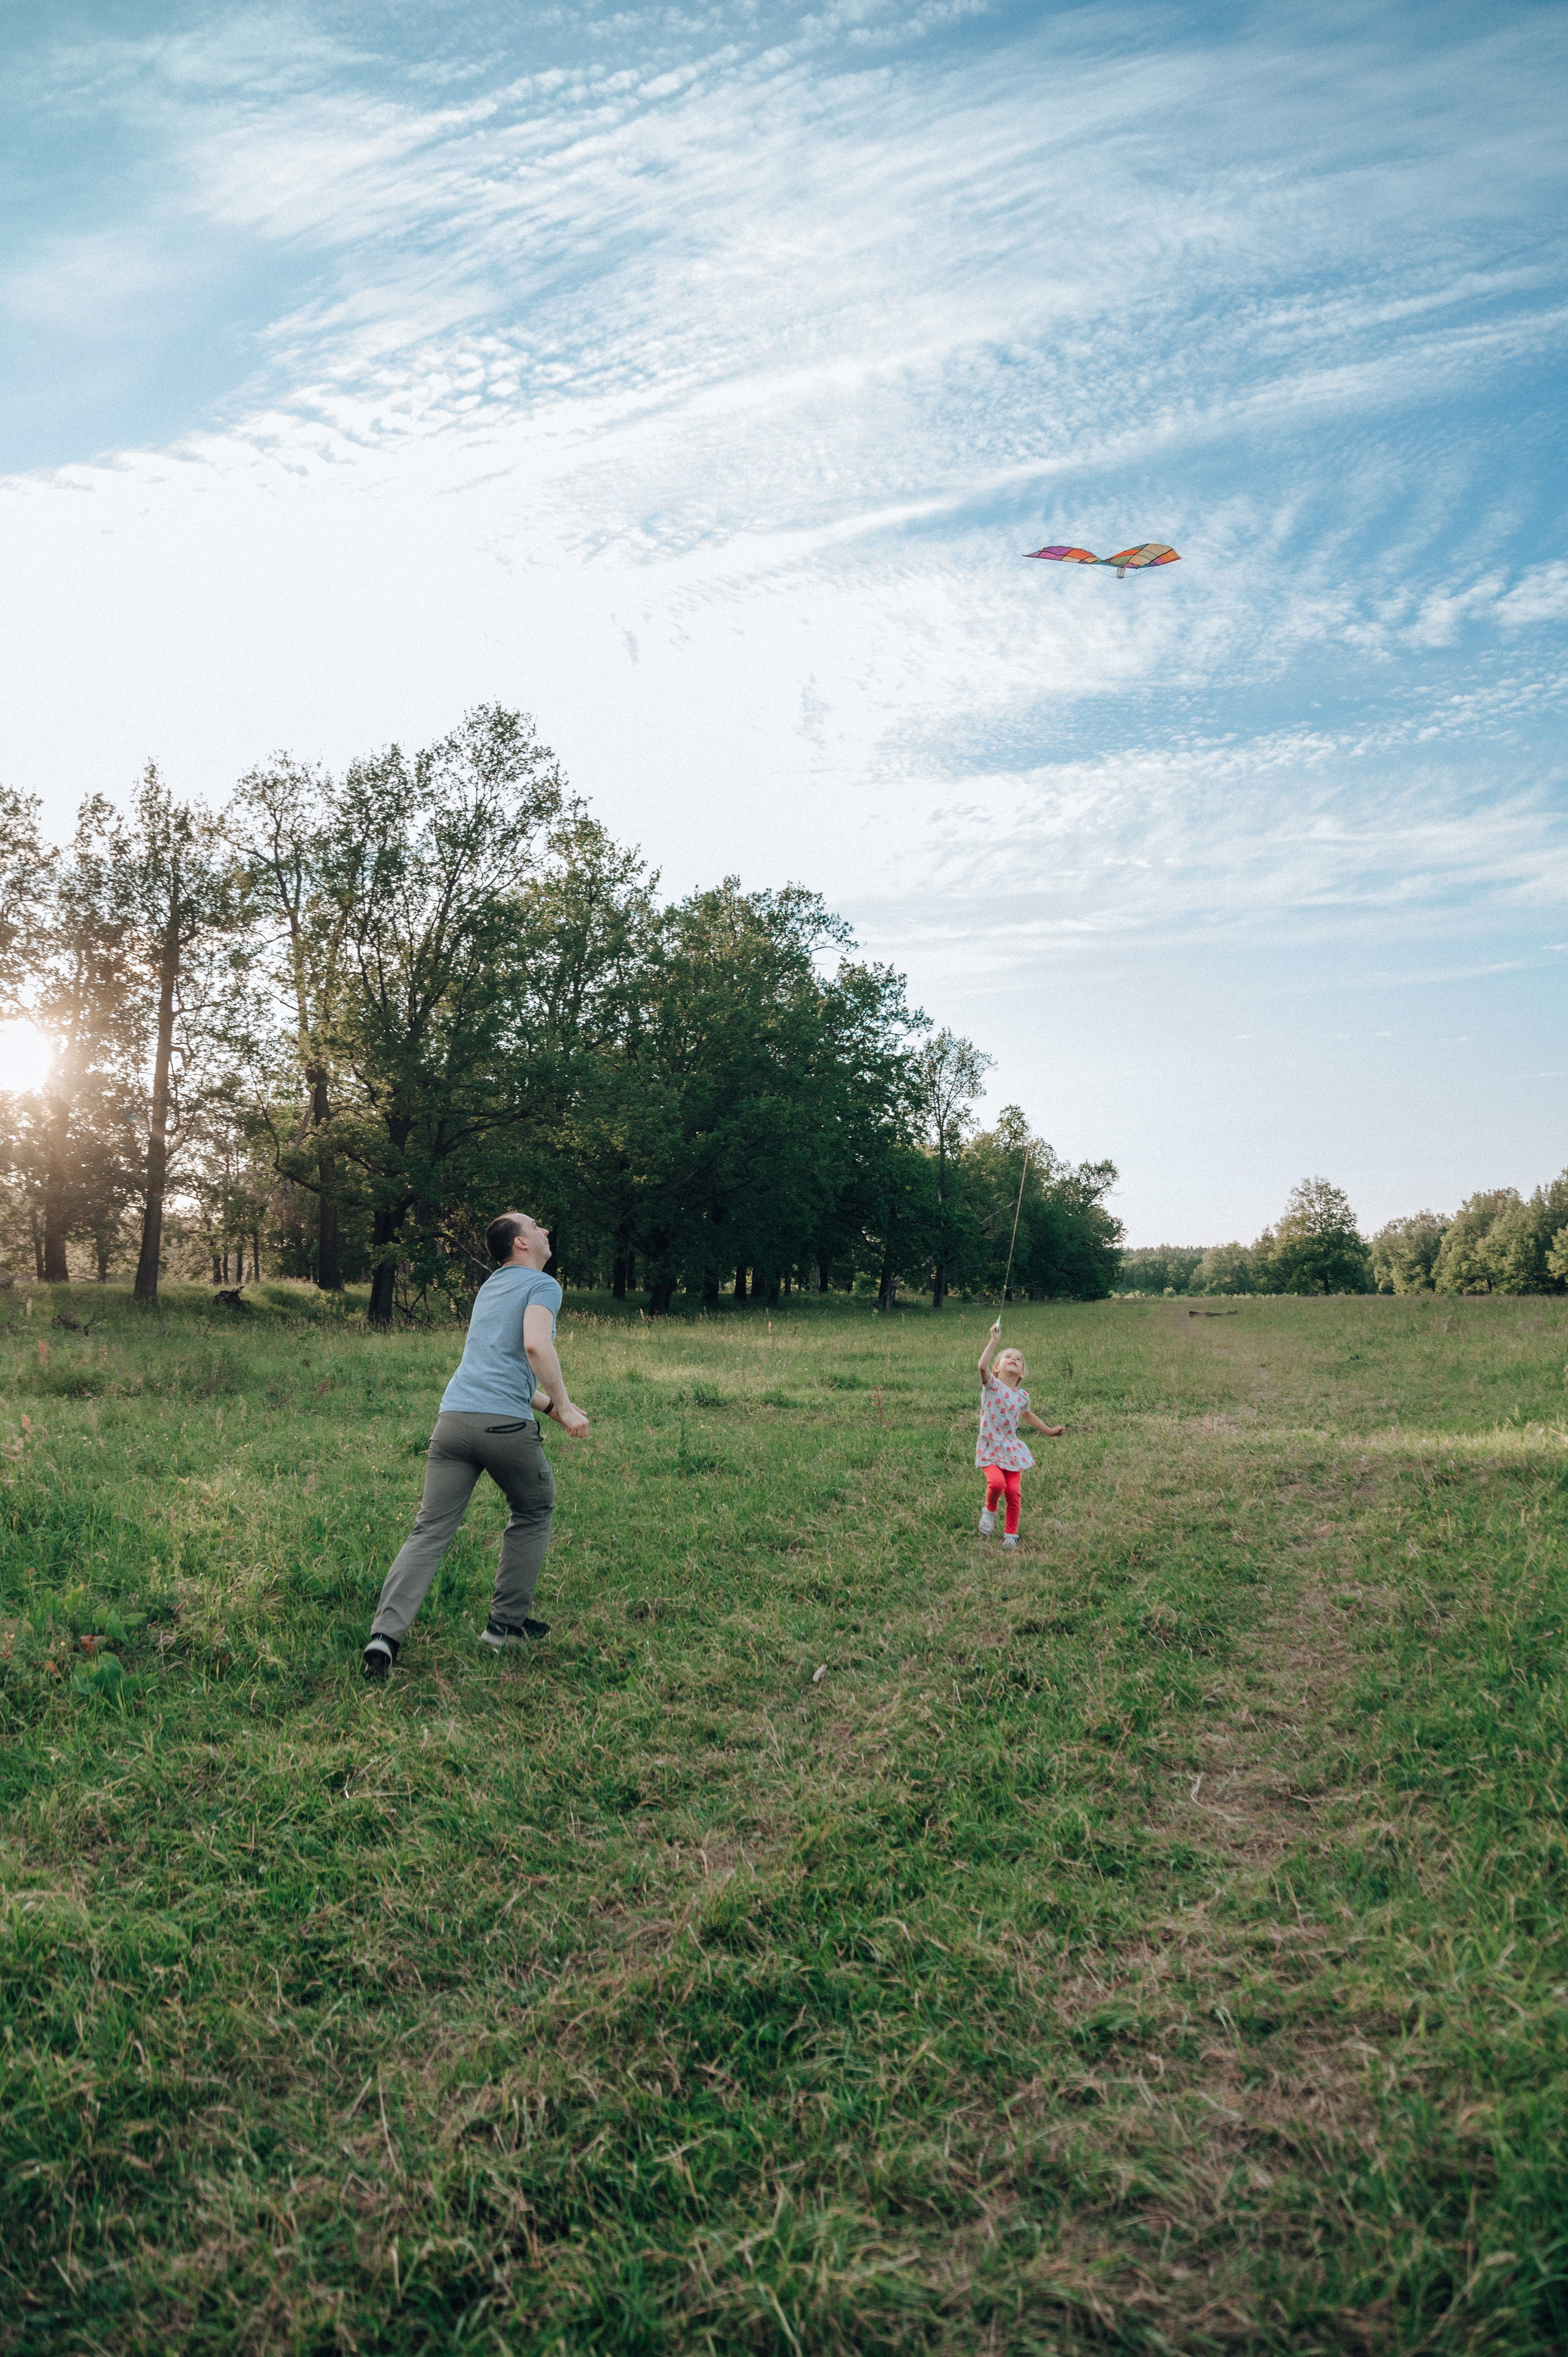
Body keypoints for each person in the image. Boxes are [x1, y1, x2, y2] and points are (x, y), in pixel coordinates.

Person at [361, 1211, 589, 1680]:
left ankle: (384, 1637)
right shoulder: (542, 1286)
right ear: (522, 1245)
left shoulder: (491, 1287)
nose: (546, 1230)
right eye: (536, 1226)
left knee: (430, 1530)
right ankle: (504, 1627)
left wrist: (546, 1407)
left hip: (453, 1421)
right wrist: (566, 1407)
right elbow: (534, 1348)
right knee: (534, 1508)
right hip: (502, 1428)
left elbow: (499, 1366)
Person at [976, 1319, 1063, 1548]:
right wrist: (994, 1341)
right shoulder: (992, 1385)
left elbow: (1028, 1416)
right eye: (1008, 1357)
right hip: (991, 1445)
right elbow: (982, 1367)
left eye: (1019, 1359)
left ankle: (1011, 1534)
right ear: (997, 1368)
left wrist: (1050, 1431)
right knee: (996, 1484)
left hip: (1011, 1448)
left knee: (1013, 1492)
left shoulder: (1022, 1396)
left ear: (1022, 1372)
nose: (1014, 1359)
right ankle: (990, 1511)